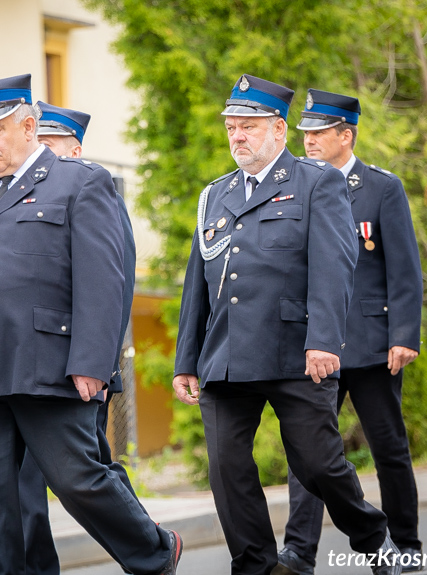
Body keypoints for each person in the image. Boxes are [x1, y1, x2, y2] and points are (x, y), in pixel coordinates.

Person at [0, 74, 181, 575]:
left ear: (29, 126)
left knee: (78, 481)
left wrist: (93, 360)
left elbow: (103, 278)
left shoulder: (80, 181)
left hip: (47, 366)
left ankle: (156, 553)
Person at [172, 74, 401, 575]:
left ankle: (371, 535)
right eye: (232, 127)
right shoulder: (215, 194)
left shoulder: (319, 181)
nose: (238, 136)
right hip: (226, 356)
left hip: (296, 351)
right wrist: (186, 359)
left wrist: (323, 340)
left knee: (319, 465)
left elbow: (334, 266)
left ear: (278, 129)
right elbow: (199, 284)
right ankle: (256, 564)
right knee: (227, 472)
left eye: (249, 126)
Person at [275, 90, 424, 575]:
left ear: (347, 135)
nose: (310, 141)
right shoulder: (294, 186)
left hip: (373, 344)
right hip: (316, 345)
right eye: (306, 134)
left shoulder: (382, 188)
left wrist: (403, 334)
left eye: (319, 133)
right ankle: (299, 551)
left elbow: (404, 269)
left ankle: (404, 545)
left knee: (389, 449)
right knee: (308, 451)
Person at [17, 101, 139, 575]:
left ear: (75, 148)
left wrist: (100, 359)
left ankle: (149, 547)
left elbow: (114, 281)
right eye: (36, 143)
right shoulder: (20, 195)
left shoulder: (91, 187)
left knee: (87, 477)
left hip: (79, 367)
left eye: (50, 144)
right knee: (39, 477)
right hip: (29, 365)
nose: (40, 153)